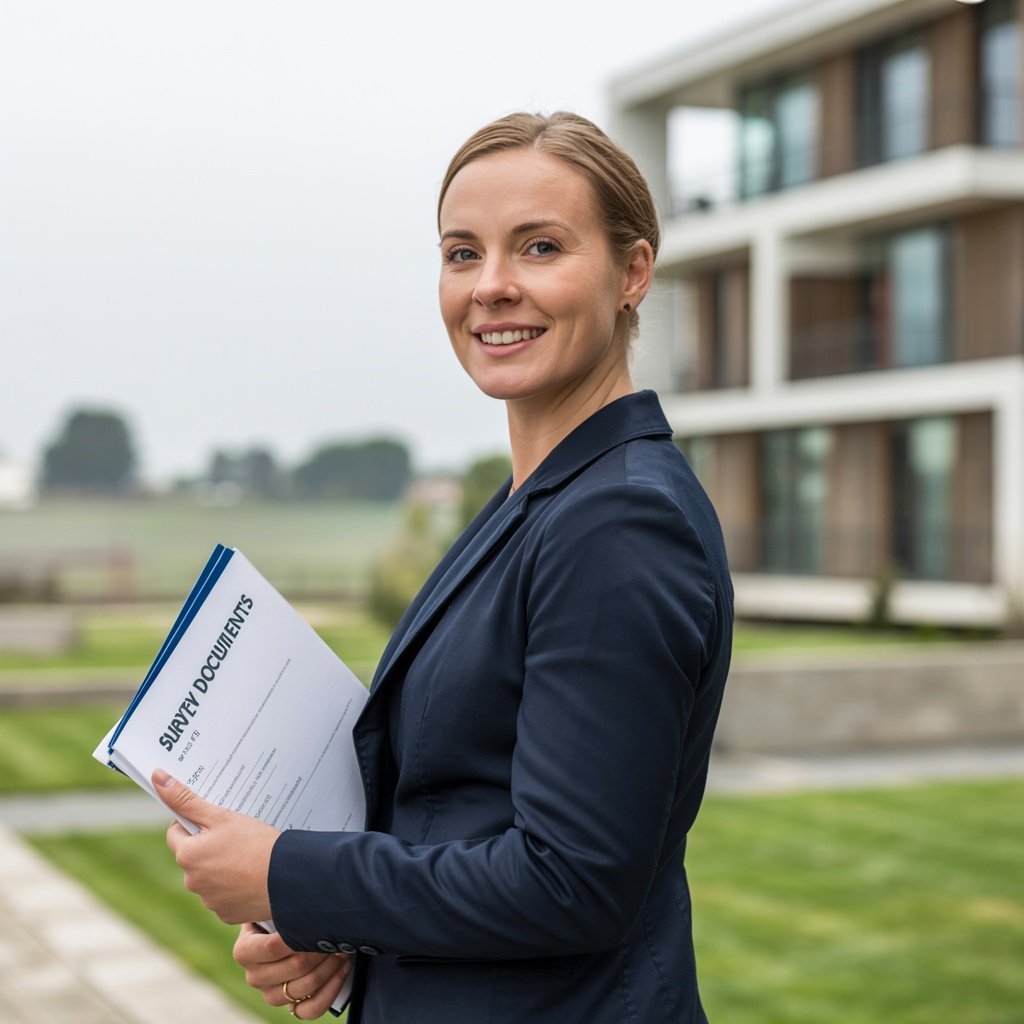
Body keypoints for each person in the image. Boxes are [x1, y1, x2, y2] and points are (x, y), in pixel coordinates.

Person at [155, 110, 734, 1023]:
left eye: (540, 247)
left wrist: (286, 874)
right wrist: (338, 933)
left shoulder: (620, 521)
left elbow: (572, 882)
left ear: (633, 273)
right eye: (463, 253)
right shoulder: (537, 501)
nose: (492, 286)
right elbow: (461, 818)